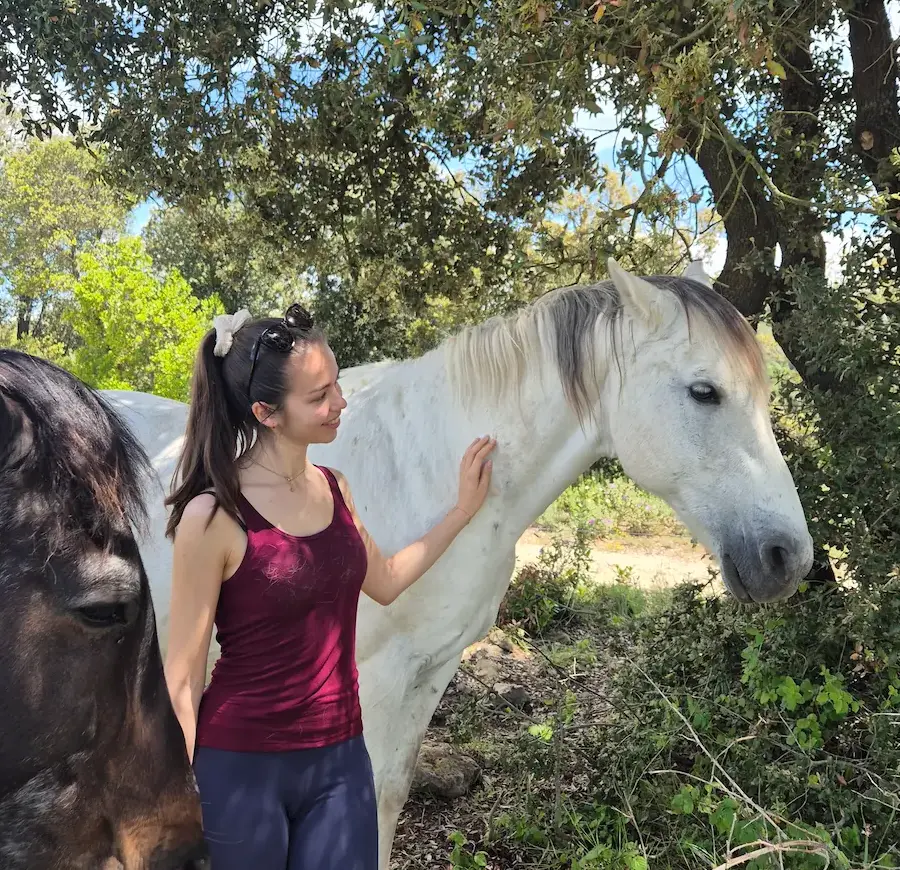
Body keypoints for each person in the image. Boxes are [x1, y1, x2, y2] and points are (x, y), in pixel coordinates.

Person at [162, 303, 496, 870]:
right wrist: (183, 787)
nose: (339, 402)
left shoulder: (335, 488)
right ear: (266, 412)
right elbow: (184, 674)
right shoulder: (214, 516)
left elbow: (386, 582)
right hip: (241, 768)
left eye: (336, 383)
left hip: (340, 763)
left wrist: (462, 510)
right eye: (318, 396)